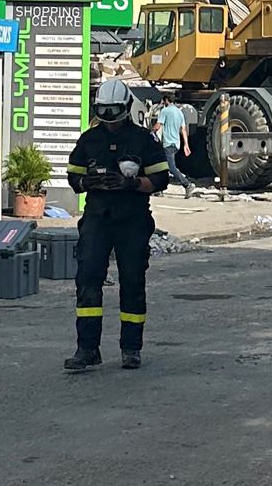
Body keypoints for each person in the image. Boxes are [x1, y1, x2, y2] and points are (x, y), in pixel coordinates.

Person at [65, 79, 170, 373]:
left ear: (125, 108)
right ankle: (87, 348)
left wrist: (133, 183)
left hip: (132, 220)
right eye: (104, 112)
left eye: (114, 112)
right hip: (97, 219)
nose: (109, 120)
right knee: (87, 280)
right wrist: (88, 182)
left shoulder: (143, 140)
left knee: (133, 282)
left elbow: (161, 179)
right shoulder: (89, 140)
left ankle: (131, 349)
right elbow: (74, 176)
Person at [155, 93, 195, 198]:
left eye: (163, 101)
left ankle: (187, 184)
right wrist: (186, 144)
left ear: (166, 100)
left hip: (167, 143)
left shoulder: (165, 111)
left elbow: (158, 125)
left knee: (170, 167)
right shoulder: (179, 112)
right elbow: (183, 129)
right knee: (162, 165)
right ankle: (159, 189)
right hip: (176, 143)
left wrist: (149, 132)